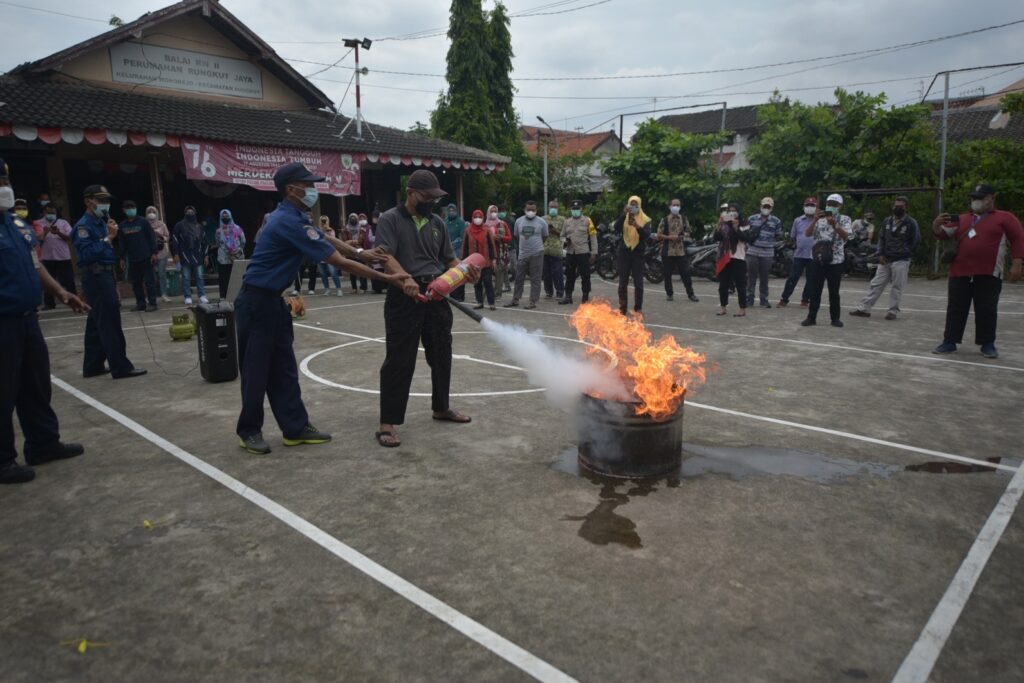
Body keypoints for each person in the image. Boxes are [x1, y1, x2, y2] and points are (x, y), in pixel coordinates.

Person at [234, 162, 402, 455]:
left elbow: (324, 237)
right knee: (256, 371)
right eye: (307, 184)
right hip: (256, 302)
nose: (312, 189)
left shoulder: (294, 216)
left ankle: (295, 428)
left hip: (273, 301)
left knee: (284, 369)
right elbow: (337, 261)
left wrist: (361, 252)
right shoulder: (287, 221)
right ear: (291, 189)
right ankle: (249, 430)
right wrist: (388, 278)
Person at [374, 169, 480, 448]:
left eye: (435, 197)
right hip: (404, 297)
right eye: (427, 196)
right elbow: (385, 256)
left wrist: (466, 271)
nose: (432, 202)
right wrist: (405, 279)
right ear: (411, 194)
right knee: (399, 360)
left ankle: (441, 407)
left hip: (436, 297)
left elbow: (449, 260)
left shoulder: (438, 223)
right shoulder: (390, 219)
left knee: (442, 354)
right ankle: (388, 422)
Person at [0, 158, 89, 484]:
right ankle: (3, 460)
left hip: (27, 318)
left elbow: (35, 265)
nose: (4, 188)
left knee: (35, 385)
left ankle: (43, 443)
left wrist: (63, 293)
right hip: (2, 321)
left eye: (5, 181)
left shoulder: (17, 226)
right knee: (3, 391)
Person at [932, 184, 1023, 359]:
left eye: (980, 197)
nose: (976, 201)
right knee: (956, 308)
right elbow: (943, 234)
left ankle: (987, 344)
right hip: (960, 272)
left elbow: (1018, 238)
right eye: (974, 197)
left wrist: (1017, 262)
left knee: (987, 309)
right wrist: (936, 226)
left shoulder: (1005, 218)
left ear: (991, 198)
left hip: (989, 272)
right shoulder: (962, 219)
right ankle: (949, 341)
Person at [72, 185, 146, 379]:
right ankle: (120, 366)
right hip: (95, 276)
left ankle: (93, 365)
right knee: (109, 321)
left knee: (96, 321)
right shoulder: (84, 226)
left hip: (103, 275)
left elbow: (106, 255)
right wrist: (108, 238)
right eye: (101, 200)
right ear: (89, 201)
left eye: (107, 201)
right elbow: (87, 254)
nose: (105, 204)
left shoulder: (100, 222)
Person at [850, 197, 921, 320]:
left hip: (901, 260)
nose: (897, 208)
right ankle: (864, 308)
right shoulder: (887, 221)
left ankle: (892, 311)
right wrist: (880, 253)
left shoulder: (911, 223)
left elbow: (916, 240)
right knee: (876, 283)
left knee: (897, 286)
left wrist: (906, 253)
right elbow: (881, 238)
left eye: (901, 206)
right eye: (896, 205)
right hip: (885, 259)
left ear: (906, 207)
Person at [801, 193, 851, 328]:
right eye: (829, 204)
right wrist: (815, 220)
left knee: (834, 292)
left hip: (836, 261)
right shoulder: (819, 219)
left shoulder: (845, 219)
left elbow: (847, 237)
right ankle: (811, 318)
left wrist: (835, 224)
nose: (831, 206)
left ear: (840, 206)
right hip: (818, 259)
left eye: (834, 205)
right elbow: (807, 233)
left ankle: (835, 318)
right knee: (815, 291)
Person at [504, 200, 548, 310]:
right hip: (522, 254)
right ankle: (515, 299)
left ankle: (532, 301)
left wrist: (535, 246)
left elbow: (545, 236)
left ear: (536, 210)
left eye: (533, 210)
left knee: (535, 278)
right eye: (528, 209)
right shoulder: (518, 221)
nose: (530, 211)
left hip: (537, 253)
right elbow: (517, 236)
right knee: (519, 278)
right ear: (524, 210)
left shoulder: (542, 222)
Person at [117, 199, 159, 312]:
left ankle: (153, 303)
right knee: (136, 283)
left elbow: (151, 238)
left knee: (150, 282)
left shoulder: (143, 222)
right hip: (132, 258)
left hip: (146, 257)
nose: (131, 210)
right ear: (124, 210)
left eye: (133, 207)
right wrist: (121, 257)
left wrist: (154, 253)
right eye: (128, 208)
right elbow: (122, 243)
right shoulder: (122, 226)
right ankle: (141, 303)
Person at [33, 203, 76, 310]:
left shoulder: (63, 222)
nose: (51, 214)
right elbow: (36, 240)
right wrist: (45, 232)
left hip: (63, 257)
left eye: (53, 212)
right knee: (48, 282)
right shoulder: (38, 223)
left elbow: (70, 238)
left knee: (69, 281)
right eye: (49, 212)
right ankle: (49, 304)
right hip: (47, 257)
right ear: (44, 212)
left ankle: (74, 301)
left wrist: (58, 233)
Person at [613, 195, 651, 315]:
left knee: (638, 283)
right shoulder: (624, 217)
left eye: (636, 205)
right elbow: (616, 227)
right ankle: (622, 308)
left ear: (639, 205)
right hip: (624, 251)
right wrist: (623, 215)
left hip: (638, 252)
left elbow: (646, 235)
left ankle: (638, 307)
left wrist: (637, 226)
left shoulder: (645, 219)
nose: (633, 207)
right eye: (631, 204)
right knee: (622, 282)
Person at [714, 203, 753, 317]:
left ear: (738, 212)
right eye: (729, 210)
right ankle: (723, 307)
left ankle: (742, 309)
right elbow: (716, 237)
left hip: (738, 257)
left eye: (734, 210)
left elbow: (746, 238)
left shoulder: (744, 223)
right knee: (723, 285)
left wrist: (736, 228)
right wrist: (719, 224)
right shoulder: (724, 223)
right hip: (724, 256)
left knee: (740, 284)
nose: (732, 213)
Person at [656, 198, 698, 303]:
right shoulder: (664, 219)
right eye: (674, 205)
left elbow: (688, 231)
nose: (676, 207)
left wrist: (682, 236)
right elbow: (659, 235)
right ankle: (669, 294)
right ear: (670, 206)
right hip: (667, 251)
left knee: (686, 273)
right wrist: (669, 237)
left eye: (678, 205)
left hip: (680, 251)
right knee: (667, 274)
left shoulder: (683, 218)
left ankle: (691, 294)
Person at [778, 197, 818, 308]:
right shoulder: (798, 220)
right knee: (793, 277)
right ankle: (784, 299)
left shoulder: (819, 221)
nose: (810, 207)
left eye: (812, 205)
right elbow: (793, 237)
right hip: (799, 254)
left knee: (811, 279)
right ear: (804, 207)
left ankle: (805, 300)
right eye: (808, 205)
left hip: (813, 255)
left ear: (816, 207)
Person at [745, 197, 783, 308]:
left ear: (771, 208)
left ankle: (764, 299)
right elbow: (746, 232)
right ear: (760, 206)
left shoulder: (776, 221)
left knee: (765, 277)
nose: (766, 208)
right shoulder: (752, 219)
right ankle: (749, 298)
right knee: (751, 277)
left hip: (767, 252)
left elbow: (778, 234)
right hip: (752, 250)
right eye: (764, 206)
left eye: (768, 207)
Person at [560, 199, 598, 305]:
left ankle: (585, 296)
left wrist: (594, 252)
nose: (575, 210)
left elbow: (593, 236)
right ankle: (568, 296)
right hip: (570, 252)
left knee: (585, 275)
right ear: (571, 210)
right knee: (569, 274)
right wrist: (565, 241)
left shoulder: (587, 221)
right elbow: (562, 235)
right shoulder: (567, 222)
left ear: (581, 209)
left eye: (577, 208)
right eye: (573, 209)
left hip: (583, 252)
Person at [171, 205, 209, 305]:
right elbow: (174, 240)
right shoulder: (179, 225)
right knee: (186, 277)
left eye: (192, 212)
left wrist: (206, 255)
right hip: (184, 255)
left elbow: (205, 242)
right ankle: (187, 296)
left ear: (195, 213)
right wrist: (175, 254)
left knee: (200, 276)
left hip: (198, 255)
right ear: (185, 213)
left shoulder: (199, 226)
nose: (190, 214)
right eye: (188, 212)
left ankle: (202, 296)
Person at [462, 209, 498, 310]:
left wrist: (493, 259)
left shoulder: (486, 230)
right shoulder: (468, 230)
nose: (478, 219)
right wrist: (463, 261)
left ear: (483, 218)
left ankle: (491, 302)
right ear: (472, 218)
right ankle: (479, 302)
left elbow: (491, 245)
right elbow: (465, 247)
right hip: (473, 262)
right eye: (475, 217)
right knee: (477, 282)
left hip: (486, 261)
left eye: (480, 217)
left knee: (488, 282)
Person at [214, 209, 246, 300]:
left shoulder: (237, 229)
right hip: (223, 258)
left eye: (227, 216)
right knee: (223, 277)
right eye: (223, 216)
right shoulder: (218, 231)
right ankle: (223, 296)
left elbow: (243, 241)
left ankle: (235, 295)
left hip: (235, 257)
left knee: (235, 277)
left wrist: (237, 249)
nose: (225, 218)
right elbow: (217, 242)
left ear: (230, 216)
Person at [485, 204, 512, 298]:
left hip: (500, 252)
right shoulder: (484, 226)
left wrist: (500, 237)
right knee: (486, 274)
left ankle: (497, 294)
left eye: (495, 211)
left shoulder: (502, 224)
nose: (493, 213)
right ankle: (486, 294)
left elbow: (509, 238)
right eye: (491, 211)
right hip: (487, 253)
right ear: (488, 212)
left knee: (499, 274)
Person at [146, 206, 172, 303]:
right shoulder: (145, 224)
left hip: (162, 252)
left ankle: (164, 294)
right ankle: (152, 296)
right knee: (151, 275)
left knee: (162, 274)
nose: (151, 213)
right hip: (149, 253)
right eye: (149, 211)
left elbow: (167, 236)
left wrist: (160, 236)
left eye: (153, 211)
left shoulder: (162, 224)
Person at [542, 199, 566, 300]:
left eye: (555, 207)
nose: (553, 209)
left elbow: (565, 234)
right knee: (546, 273)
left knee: (558, 273)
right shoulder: (543, 219)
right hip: (544, 249)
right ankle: (548, 292)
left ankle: (560, 292)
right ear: (548, 208)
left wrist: (555, 230)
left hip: (557, 250)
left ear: (558, 208)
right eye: (551, 207)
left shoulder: (563, 219)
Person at [443, 204, 467, 301]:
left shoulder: (461, 222)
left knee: (459, 274)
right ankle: (452, 295)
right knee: (450, 275)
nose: (451, 212)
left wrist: (453, 244)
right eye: (450, 210)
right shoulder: (445, 222)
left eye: (453, 210)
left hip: (458, 251)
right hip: (447, 252)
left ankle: (460, 296)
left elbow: (462, 237)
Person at [341, 213, 368, 294]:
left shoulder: (361, 228)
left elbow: (361, 240)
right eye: (351, 218)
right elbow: (344, 240)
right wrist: (353, 242)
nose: (353, 219)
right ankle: (354, 288)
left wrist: (351, 242)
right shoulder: (346, 228)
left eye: (354, 218)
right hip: (350, 251)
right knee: (352, 269)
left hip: (360, 250)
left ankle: (363, 287)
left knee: (361, 268)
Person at [316, 215, 343, 295]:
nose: (323, 222)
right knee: (323, 273)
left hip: (329, 253)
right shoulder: (317, 230)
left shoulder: (331, 230)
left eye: (325, 220)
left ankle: (339, 289)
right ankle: (327, 289)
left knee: (333, 272)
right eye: (322, 220)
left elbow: (333, 241)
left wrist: (327, 231)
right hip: (320, 254)